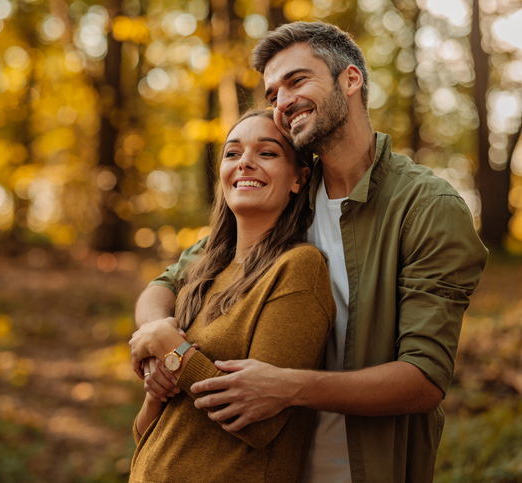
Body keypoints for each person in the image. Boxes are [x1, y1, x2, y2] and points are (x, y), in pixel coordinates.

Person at [133, 21, 488, 483]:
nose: (282, 101)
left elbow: (423, 380)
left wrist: (288, 388)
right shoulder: (288, 196)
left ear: (351, 79)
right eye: (274, 91)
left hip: (363, 468)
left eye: (297, 80)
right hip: (275, 464)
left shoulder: (426, 208)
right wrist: (159, 334)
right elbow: (172, 280)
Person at [128, 109, 336, 482]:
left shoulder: (299, 269)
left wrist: (170, 349)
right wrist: (157, 386)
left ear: (298, 179)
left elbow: (260, 425)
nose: (245, 164)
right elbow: (148, 434)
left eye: (267, 153)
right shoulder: (205, 271)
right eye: (232, 153)